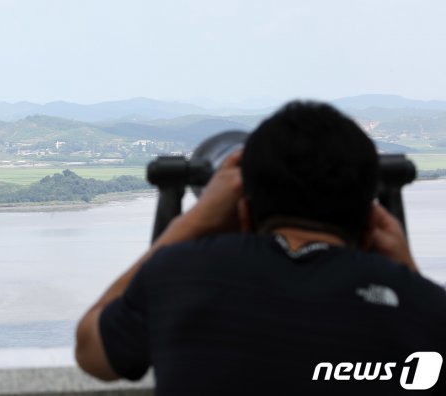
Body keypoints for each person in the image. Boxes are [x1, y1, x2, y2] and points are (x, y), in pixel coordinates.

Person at [75, 101, 446, 395]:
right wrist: (406, 275)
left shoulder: (178, 275)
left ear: (244, 209)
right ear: (370, 221)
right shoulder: (425, 309)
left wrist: (191, 224)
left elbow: (92, 351)